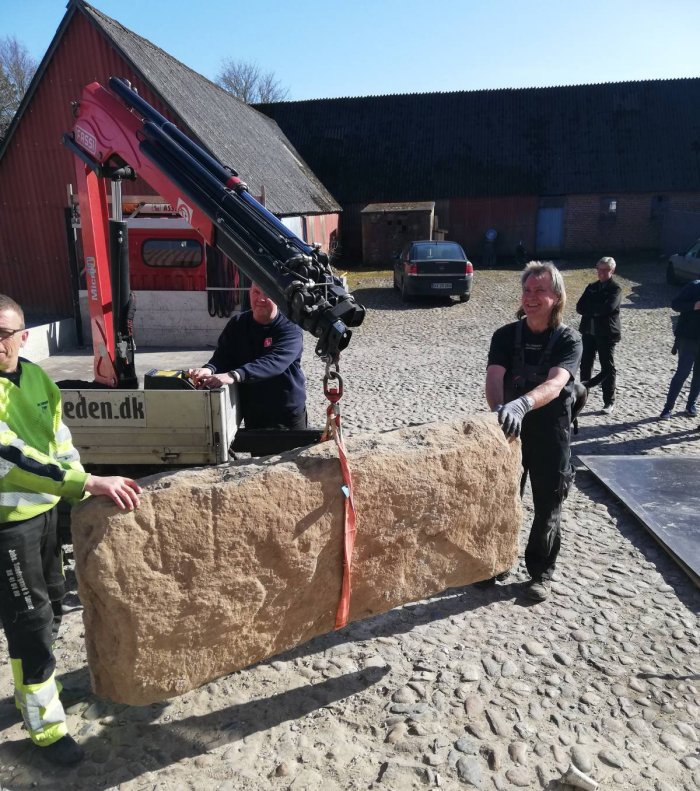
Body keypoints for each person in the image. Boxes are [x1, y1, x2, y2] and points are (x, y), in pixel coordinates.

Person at [0, 294, 141, 766]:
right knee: (30, 622)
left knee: (54, 601)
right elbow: (13, 459)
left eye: (5, 333)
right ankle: (45, 728)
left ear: (23, 336)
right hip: (8, 527)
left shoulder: (37, 378)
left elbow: (60, 442)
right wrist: (88, 482)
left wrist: (81, 487)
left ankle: (36, 685)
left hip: (42, 516)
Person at [485, 262, 582, 602]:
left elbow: (557, 383)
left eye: (540, 291)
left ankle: (540, 573)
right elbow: (495, 377)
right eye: (527, 290)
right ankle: (497, 562)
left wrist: (523, 404)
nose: (531, 297)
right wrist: (500, 411)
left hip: (550, 432)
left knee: (547, 505)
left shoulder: (568, 339)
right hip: (509, 431)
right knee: (504, 500)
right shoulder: (505, 336)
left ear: (556, 297)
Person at [188, 282, 307, 430]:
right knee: (260, 453)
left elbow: (274, 362)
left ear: (278, 297)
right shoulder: (238, 323)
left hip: (285, 411)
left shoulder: (290, 327)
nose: (261, 299)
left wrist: (234, 375)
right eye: (256, 292)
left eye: (268, 294)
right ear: (249, 293)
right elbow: (223, 356)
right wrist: (209, 369)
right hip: (253, 411)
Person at [575, 256, 622, 415]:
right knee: (585, 365)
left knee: (607, 367)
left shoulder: (615, 289)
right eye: (599, 269)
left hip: (606, 334)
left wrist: (593, 308)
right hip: (588, 332)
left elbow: (608, 308)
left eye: (605, 270)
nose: (601, 273)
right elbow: (580, 307)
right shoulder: (591, 287)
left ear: (612, 271)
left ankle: (609, 401)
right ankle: (582, 396)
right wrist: (596, 309)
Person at [659, 278, 700, 418]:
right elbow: (675, 304)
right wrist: (695, 305)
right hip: (688, 338)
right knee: (682, 373)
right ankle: (668, 408)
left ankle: (691, 405)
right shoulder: (693, 286)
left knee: (699, 376)